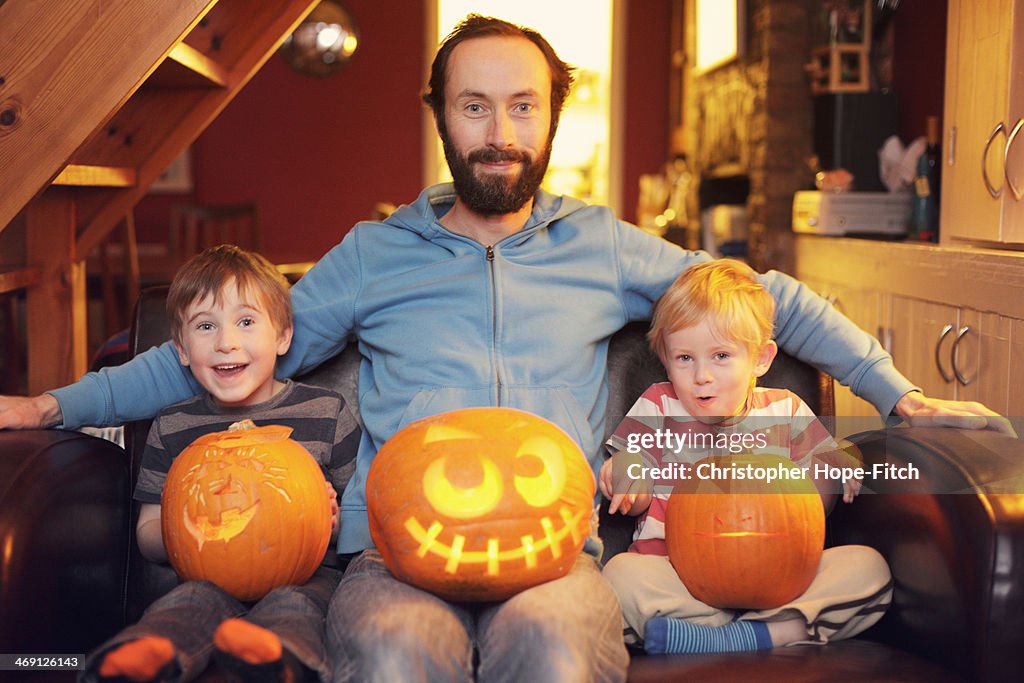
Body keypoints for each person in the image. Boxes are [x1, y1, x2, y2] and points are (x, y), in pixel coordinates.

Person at [0, 13, 1010, 683]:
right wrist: (53, 406)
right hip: (393, 552)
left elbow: (763, 297)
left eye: (520, 105)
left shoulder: (602, 245)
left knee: (557, 651)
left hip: (556, 554)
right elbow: (227, 353)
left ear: (551, 116)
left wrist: (900, 394)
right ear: (441, 116)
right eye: (472, 105)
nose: (497, 130)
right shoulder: (375, 252)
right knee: (395, 652)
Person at [79, 245, 360, 683]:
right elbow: (149, 532)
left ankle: (275, 660)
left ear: (283, 336)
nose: (226, 342)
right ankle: (146, 656)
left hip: (305, 577)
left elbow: (357, 519)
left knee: (296, 606)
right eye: (205, 326)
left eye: (246, 322)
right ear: (183, 350)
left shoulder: (326, 412)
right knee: (184, 605)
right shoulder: (174, 425)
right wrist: (181, 523)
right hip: (204, 576)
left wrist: (333, 520)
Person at [598, 259, 891, 655]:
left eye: (720, 356)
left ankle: (723, 636)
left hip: (780, 582)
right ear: (666, 359)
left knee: (869, 568)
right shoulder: (658, 404)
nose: (702, 375)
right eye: (685, 358)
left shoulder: (787, 411)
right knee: (619, 575)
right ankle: (773, 633)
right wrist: (626, 476)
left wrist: (837, 464)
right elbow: (634, 478)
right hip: (678, 579)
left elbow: (816, 502)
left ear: (760, 359)